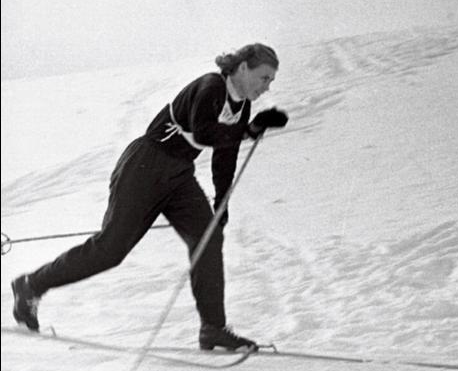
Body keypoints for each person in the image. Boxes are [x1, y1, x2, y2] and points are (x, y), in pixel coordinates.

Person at [11, 43, 288, 351]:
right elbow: (204, 132)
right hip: (145, 165)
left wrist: (221, 202)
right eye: (265, 78)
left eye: (271, 81)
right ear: (244, 68)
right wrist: (248, 131)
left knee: (208, 237)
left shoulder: (242, 107)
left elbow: (225, 154)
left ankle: (213, 328)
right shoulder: (211, 86)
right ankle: (30, 285)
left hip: (178, 175)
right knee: (111, 250)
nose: (267, 87)